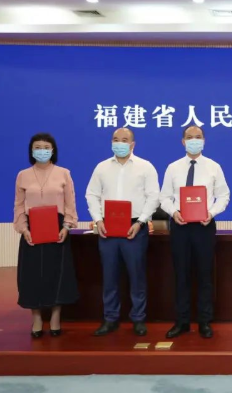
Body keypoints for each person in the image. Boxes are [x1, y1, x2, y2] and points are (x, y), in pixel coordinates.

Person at [85, 128, 160, 337]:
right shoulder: (101, 167)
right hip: (108, 227)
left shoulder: (145, 167)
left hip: (135, 227)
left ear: (133, 144)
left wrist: (142, 221)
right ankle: (110, 318)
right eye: (116, 139)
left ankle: (138, 318)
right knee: (109, 276)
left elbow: (153, 197)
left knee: (137, 275)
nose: (120, 143)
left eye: (124, 140)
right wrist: (98, 219)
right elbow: (91, 194)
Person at [159, 125, 231, 339]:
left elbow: (224, 195)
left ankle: (204, 322)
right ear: (183, 141)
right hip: (180, 226)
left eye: (198, 137)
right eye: (189, 137)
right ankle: (181, 322)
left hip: (204, 227)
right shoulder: (173, 168)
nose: (194, 140)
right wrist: (174, 212)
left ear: (204, 141)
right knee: (181, 275)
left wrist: (212, 212)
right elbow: (164, 197)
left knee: (204, 275)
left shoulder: (213, 167)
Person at [14, 133, 79, 338]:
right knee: (32, 275)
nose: (42, 150)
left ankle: (55, 317)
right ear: (31, 150)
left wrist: (66, 226)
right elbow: (19, 205)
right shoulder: (23, 175)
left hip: (57, 227)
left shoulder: (64, 173)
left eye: (46, 147)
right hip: (31, 228)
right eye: (37, 147)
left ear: (52, 150)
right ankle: (36, 319)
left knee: (56, 273)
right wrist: (24, 229)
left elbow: (70, 203)